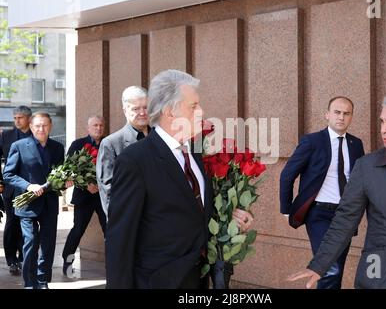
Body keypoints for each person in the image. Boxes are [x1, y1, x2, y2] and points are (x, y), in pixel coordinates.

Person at [105, 69, 253, 289]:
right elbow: (120, 238)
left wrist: (231, 217)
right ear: (170, 111)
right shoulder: (135, 160)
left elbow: (190, 209)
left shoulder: (193, 153)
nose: (202, 111)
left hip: (197, 280)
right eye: (193, 106)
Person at [287, 93, 386, 289]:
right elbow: (345, 219)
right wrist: (319, 265)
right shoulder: (366, 167)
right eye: (382, 122)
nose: (383, 129)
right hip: (379, 272)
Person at [280, 96, 364, 289]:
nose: (341, 117)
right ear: (327, 114)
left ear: (351, 117)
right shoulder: (312, 141)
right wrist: (286, 209)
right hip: (319, 214)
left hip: (345, 215)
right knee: (328, 268)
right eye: (337, 112)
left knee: (337, 267)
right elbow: (287, 175)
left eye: (346, 113)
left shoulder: (356, 144)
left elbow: (360, 180)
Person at [3, 112, 72, 289]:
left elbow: (58, 175)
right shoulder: (19, 146)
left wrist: (65, 182)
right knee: (31, 242)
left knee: (48, 245)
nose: (41, 129)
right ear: (32, 127)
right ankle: (29, 282)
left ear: (50, 126)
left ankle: (42, 281)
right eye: (38, 126)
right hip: (27, 204)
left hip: (49, 203)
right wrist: (28, 186)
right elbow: (8, 175)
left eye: (45, 125)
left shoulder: (57, 147)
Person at [62, 115, 107, 276]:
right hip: (84, 195)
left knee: (110, 230)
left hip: (104, 196)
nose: (99, 128)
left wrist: (101, 186)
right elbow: (68, 169)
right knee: (78, 230)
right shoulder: (78, 144)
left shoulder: (109, 143)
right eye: (95, 125)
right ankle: (67, 263)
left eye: (101, 125)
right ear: (88, 128)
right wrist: (86, 184)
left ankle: (114, 264)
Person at [96, 86, 150, 218]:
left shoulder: (160, 138)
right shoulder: (111, 143)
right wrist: (118, 224)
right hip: (130, 221)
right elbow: (107, 189)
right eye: (136, 108)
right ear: (125, 110)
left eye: (145, 107)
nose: (142, 112)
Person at [0, 105, 32, 276]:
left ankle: (24, 257)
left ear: (28, 118)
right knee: (12, 223)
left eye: (20, 117)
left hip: (30, 188)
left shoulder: (36, 134)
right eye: (15, 118)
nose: (16, 121)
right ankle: (11, 260)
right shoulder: (6, 135)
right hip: (10, 189)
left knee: (27, 223)